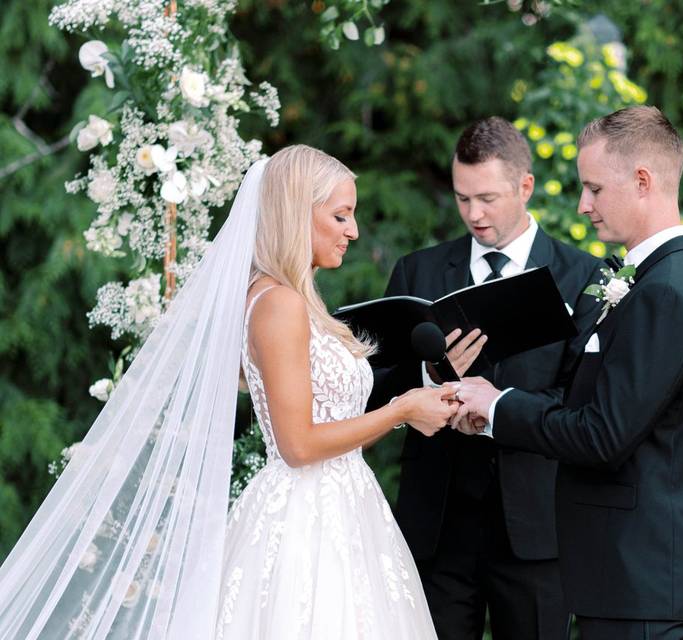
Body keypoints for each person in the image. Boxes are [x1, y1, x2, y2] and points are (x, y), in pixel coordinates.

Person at [0, 145, 452, 640]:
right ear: (296, 211)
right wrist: (401, 410)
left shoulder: (296, 298)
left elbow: (330, 428)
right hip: (306, 521)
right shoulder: (278, 302)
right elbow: (298, 445)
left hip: (345, 510)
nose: (354, 231)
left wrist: (419, 395)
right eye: (341, 215)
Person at [455, 106, 683, 640]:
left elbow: (602, 433)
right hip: (627, 580)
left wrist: (498, 407)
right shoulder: (651, 280)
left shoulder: (667, 292)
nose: (583, 206)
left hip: (644, 582)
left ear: (643, 182)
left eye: (595, 189)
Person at [369, 116, 602, 640]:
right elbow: (373, 387)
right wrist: (429, 376)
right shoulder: (418, 273)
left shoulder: (584, 276)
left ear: (525, 187)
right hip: (439, 524)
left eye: (488, 199)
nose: (474, 214)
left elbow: (580, 398)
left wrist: (499, 410)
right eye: (462, 198)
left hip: (537, 525)